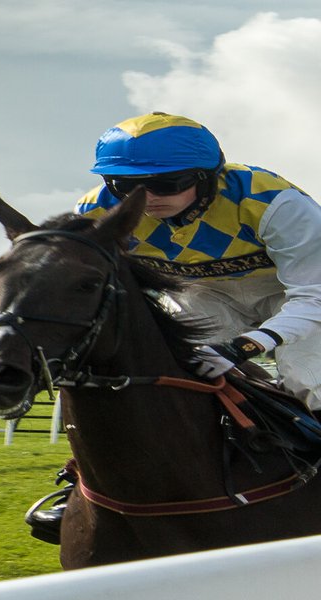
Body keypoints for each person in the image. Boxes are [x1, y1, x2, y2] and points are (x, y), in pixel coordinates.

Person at [25, 111, 321, 544]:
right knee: (158, 364)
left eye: (166, 184)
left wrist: (246, 347)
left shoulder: (274, 202)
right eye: (125, 185)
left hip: (296, 291)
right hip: (204, 293)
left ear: (206, 177)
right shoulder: (95, 211)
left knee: (308, 372)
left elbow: (312, 294)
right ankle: (84, 481)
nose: (146, 197)